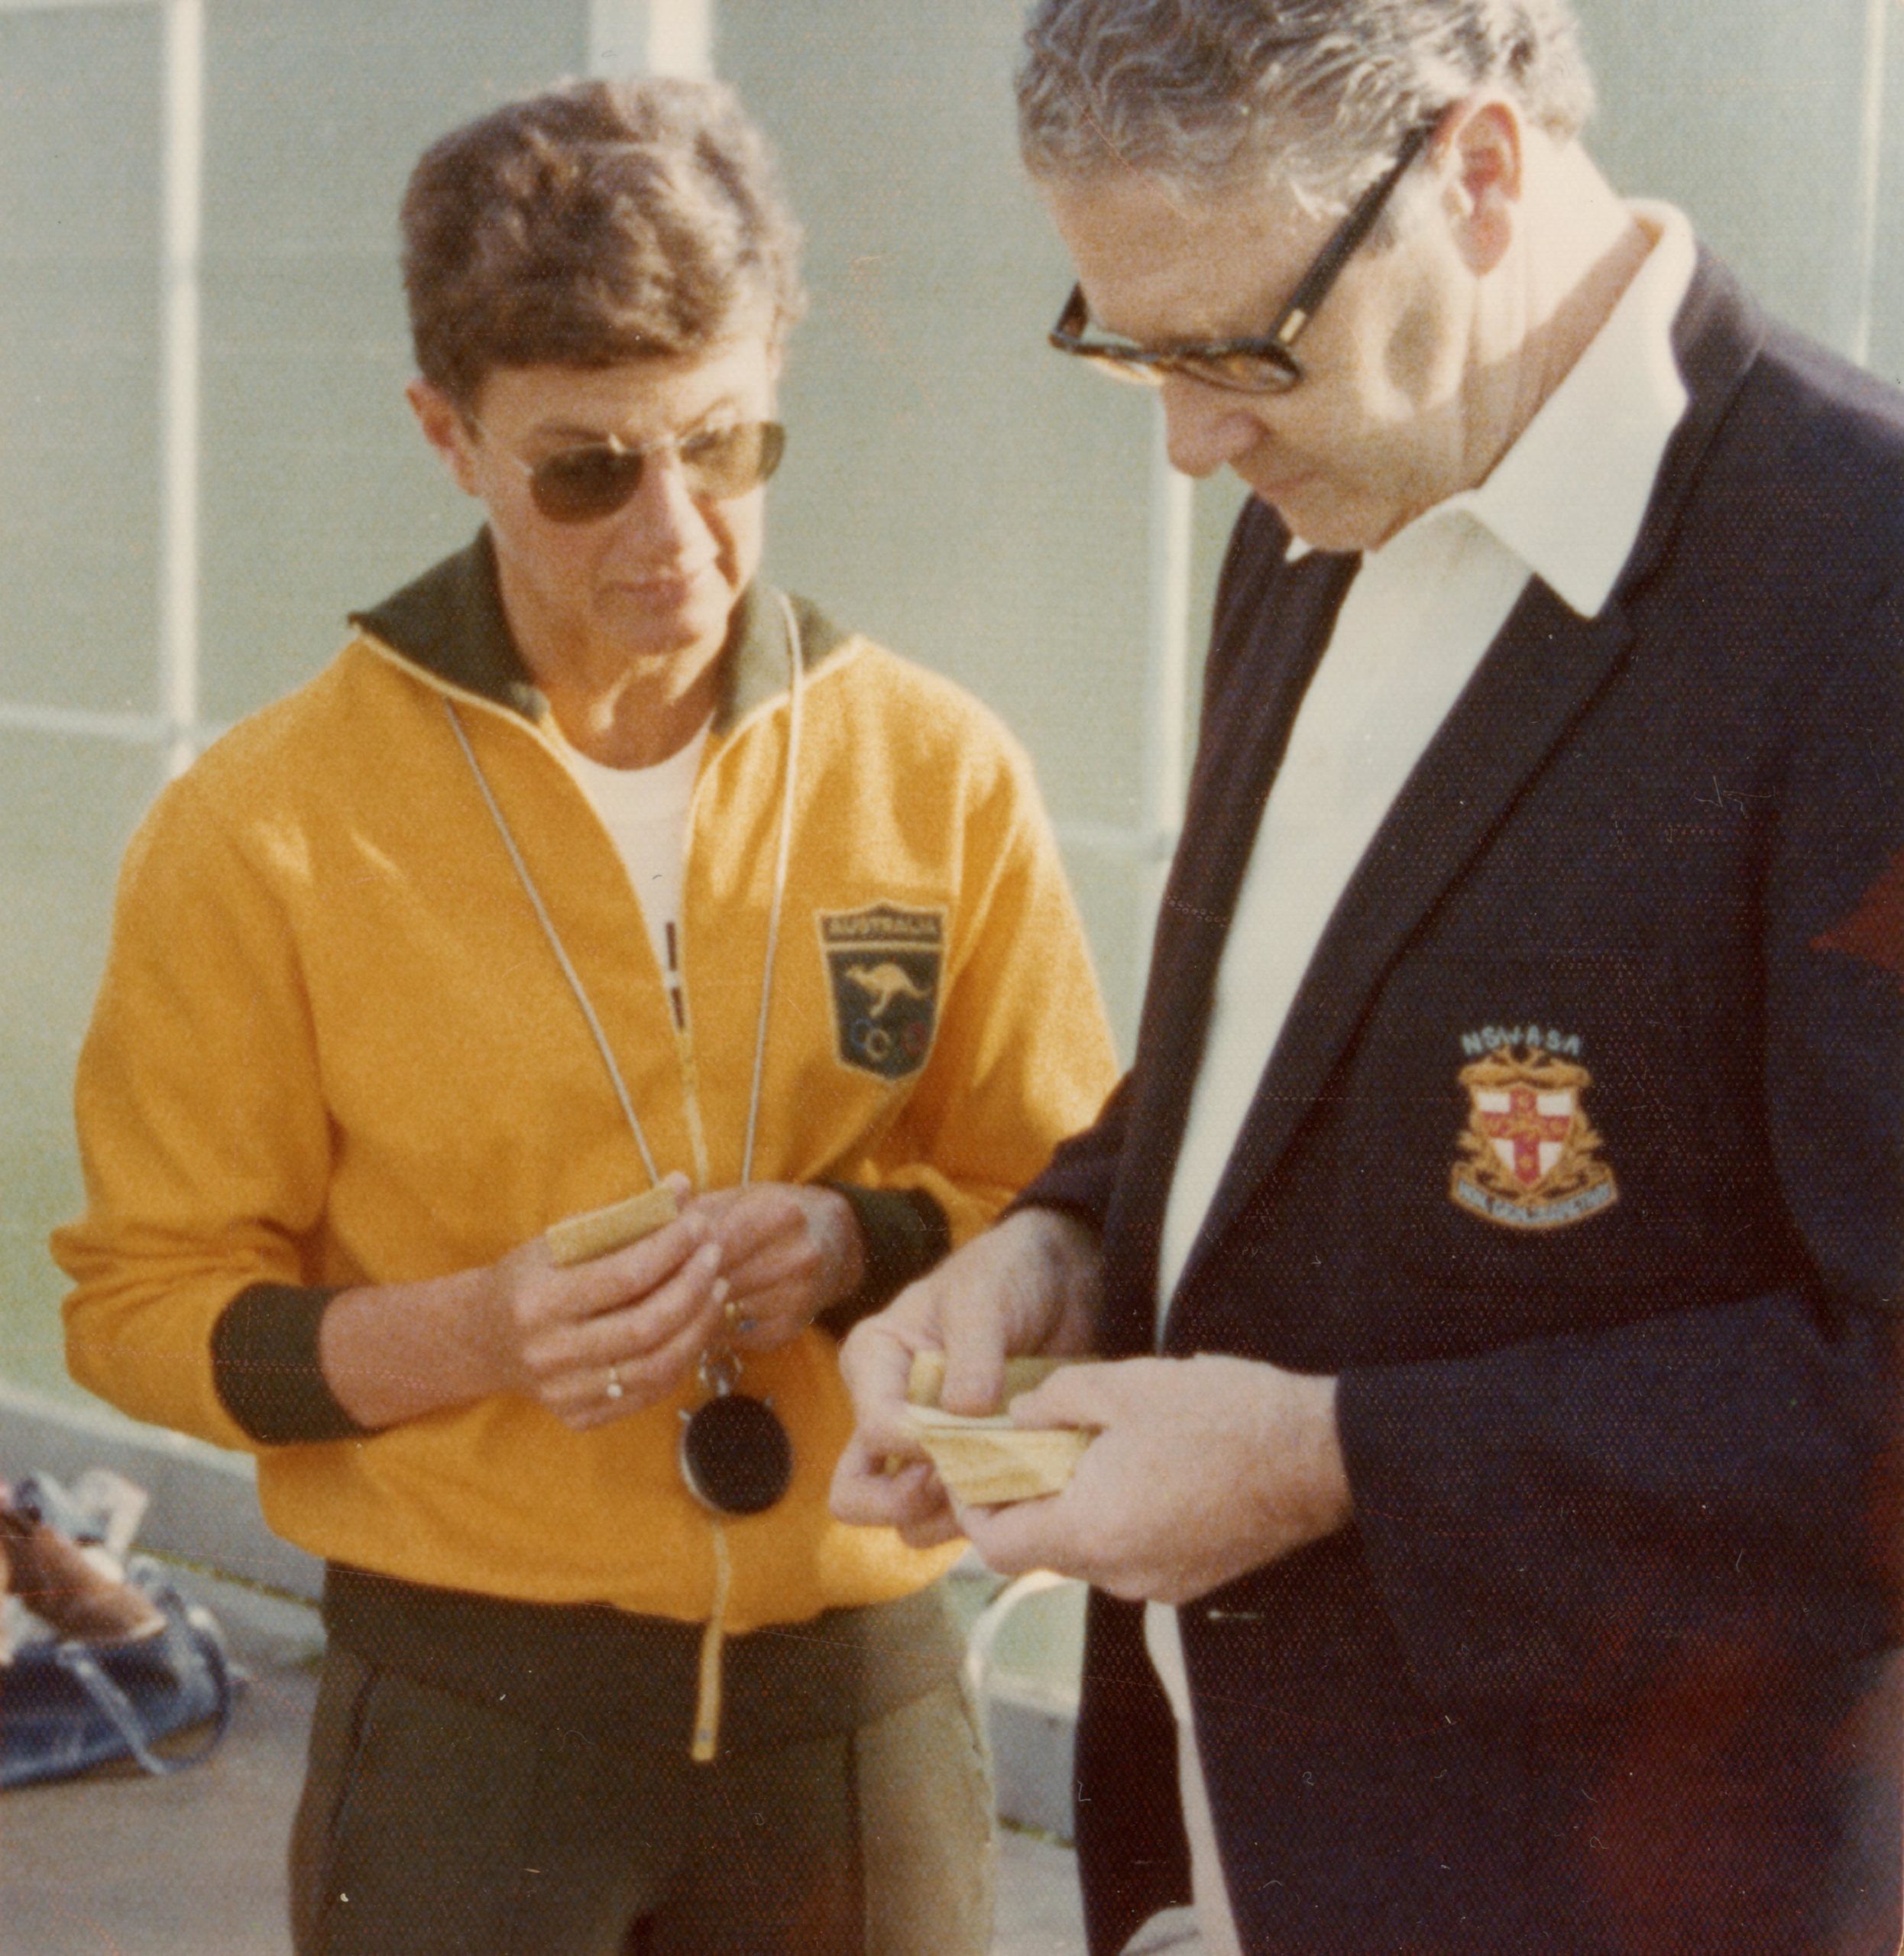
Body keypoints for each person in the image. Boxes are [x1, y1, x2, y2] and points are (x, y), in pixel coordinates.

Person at [832, 4, 1904, 1952]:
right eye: (1124, 347)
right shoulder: (1322, 503)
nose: (1185, 442)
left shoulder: (1864, 595)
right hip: (1228, 1850)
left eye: (1234, 348)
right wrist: (1059, 1247)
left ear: (1478, 173)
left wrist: (1332, 1463)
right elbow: (1276, 1056)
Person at [53, 75, 1117, 1956]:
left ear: (777, 361)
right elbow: (141, 1311)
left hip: (861, 1719)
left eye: (724, 441)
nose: (677, 536)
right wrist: (471, 1332)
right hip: (467, 1742)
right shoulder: (265, 825)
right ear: (445, 436)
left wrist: (854, 1240)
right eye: (584, 467)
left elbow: (1081, 1209)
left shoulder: (937, 770)